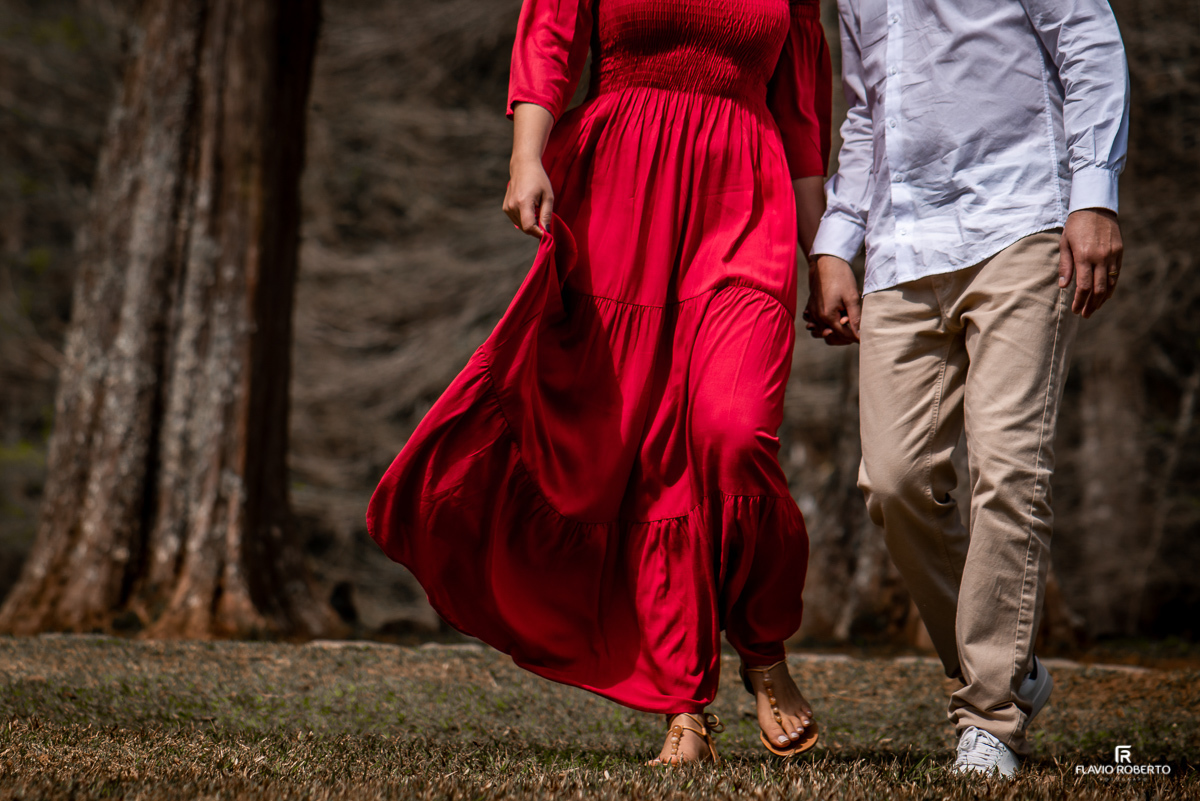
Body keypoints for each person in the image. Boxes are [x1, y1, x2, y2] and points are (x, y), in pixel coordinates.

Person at [367, 0, 833, 765]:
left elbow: (802, 120)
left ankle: (762, 641)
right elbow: (549, 39)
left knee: (732, 430)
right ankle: (685, 705)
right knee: (645, 454)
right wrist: (526, 158)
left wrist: (827, 256)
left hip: (745, 204)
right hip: (619, 192)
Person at [806, 0, 1130, 778]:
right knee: (894, 481)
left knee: (1008, 470)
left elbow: (1086, 40)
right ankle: (1009, 667)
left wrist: (1093, 193)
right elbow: (865, 111)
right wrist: (837, 239)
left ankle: (989, 715)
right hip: (901, 240)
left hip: (1021, 217)